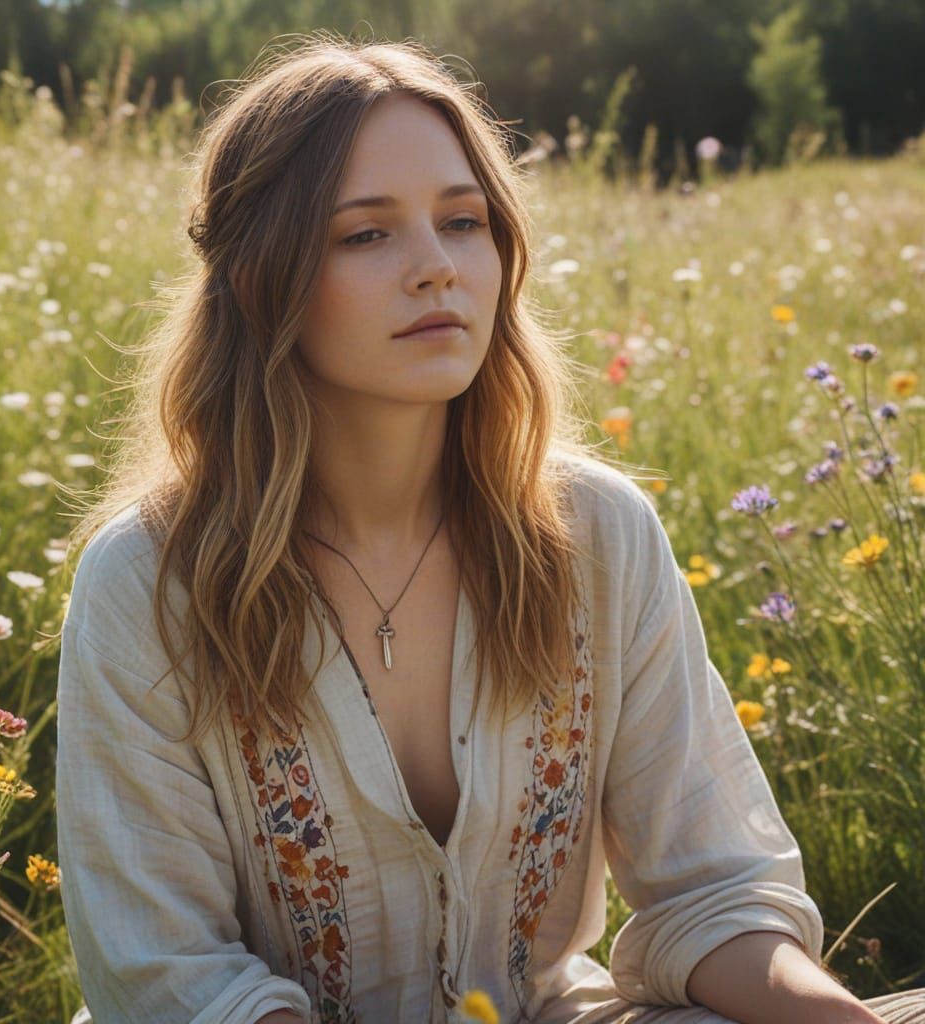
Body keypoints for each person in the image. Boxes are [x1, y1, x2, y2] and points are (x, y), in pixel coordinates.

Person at [54, 32, 925, 1024]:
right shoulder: (149, 584)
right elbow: (170, 982)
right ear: (261, 279)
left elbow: (714, 890)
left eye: (462, 221)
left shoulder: (596, 534)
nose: (436, 268)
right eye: (364, 235)